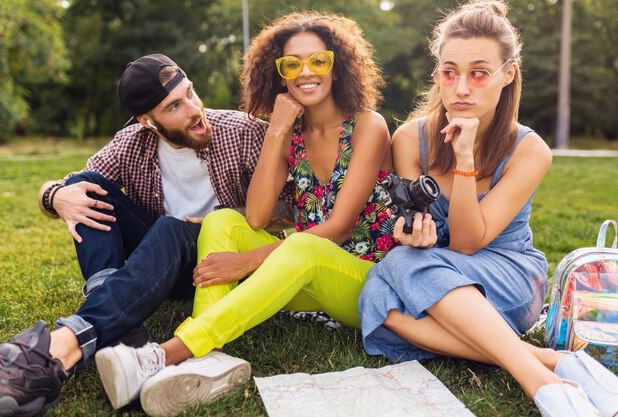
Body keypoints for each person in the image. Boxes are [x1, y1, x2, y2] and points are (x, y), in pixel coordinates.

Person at [94, 11, 396, 417]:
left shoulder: (367, 126)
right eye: (292, 64)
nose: (306, 72)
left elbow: (338, 229)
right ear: (280, 75)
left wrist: (249, 260)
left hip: (366, 282)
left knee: (303, 246)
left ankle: (167, 354)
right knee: (223, 220)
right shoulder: (292, 135)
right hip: (304, 274)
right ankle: (211, 362)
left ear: (337, 66)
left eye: (318, 61)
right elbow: (254, 218)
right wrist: (278, 130)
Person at [357, 2, 618, 417]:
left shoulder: (529, 149)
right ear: (437, 74)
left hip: (507, 275)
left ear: (507, 73)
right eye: (449, 72)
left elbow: (465, 243)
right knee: (378, 296)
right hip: (434, 273)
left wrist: (464, 159)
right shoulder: (409, 138)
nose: (461, 88)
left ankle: (539, 383)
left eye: (478, 73)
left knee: (398, 271)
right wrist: (411, 233)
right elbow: (415, 226)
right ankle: (557, 365)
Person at [0, 54, 276, 417]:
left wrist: (222, 219)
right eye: (174, 106)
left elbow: (289, 207)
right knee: (85, 186)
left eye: (190, 93)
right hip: (163, 263)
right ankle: (123, 332)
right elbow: (66, 186)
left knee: (172, 227)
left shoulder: (243, 131)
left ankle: (61, 347)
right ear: (148, 121)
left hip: (222, 264)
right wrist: (55, 194)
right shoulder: (132, 144)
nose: (193, 109)